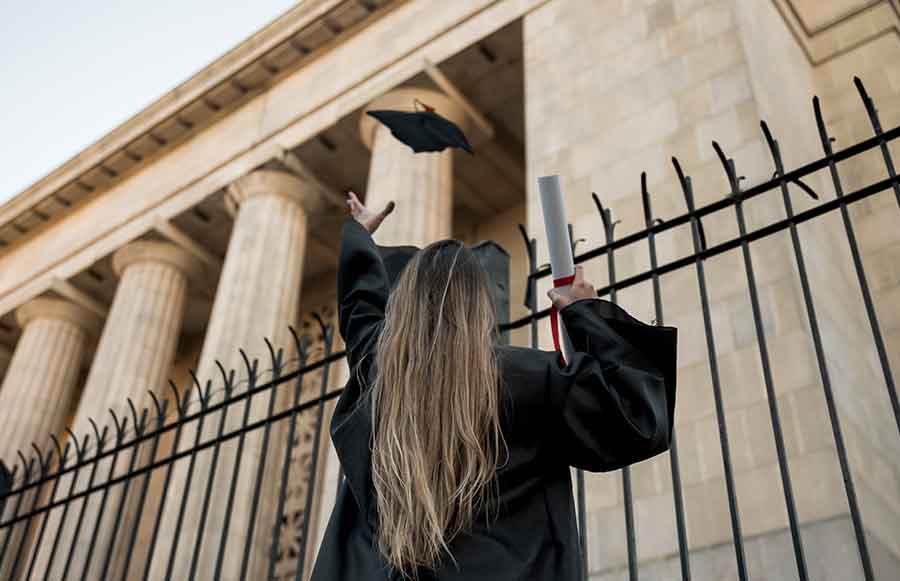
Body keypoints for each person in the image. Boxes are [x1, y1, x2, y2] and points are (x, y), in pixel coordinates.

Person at [309, 192, 677, 581]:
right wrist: (584, 313)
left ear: (401, 309)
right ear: (479, 307)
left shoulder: (377, 379)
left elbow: (360, 306)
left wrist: (359, 235)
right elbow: (635, 417)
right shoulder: (528, 379)